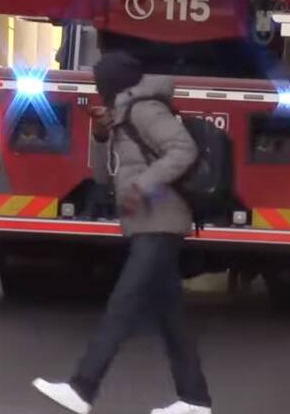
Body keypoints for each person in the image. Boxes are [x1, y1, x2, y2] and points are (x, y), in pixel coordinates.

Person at [33, 52, 211, 414]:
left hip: (161, 220)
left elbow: (183, 149)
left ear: (112, 83)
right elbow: (106, 173)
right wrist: (102, 134)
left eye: (100, 82)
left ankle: (83, 388)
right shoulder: (126, 112)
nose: (97, 88)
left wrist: (143, 186)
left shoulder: (145, 109)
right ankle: (195, 401)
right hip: (148, 222)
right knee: (172, 318)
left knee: (122, 304)